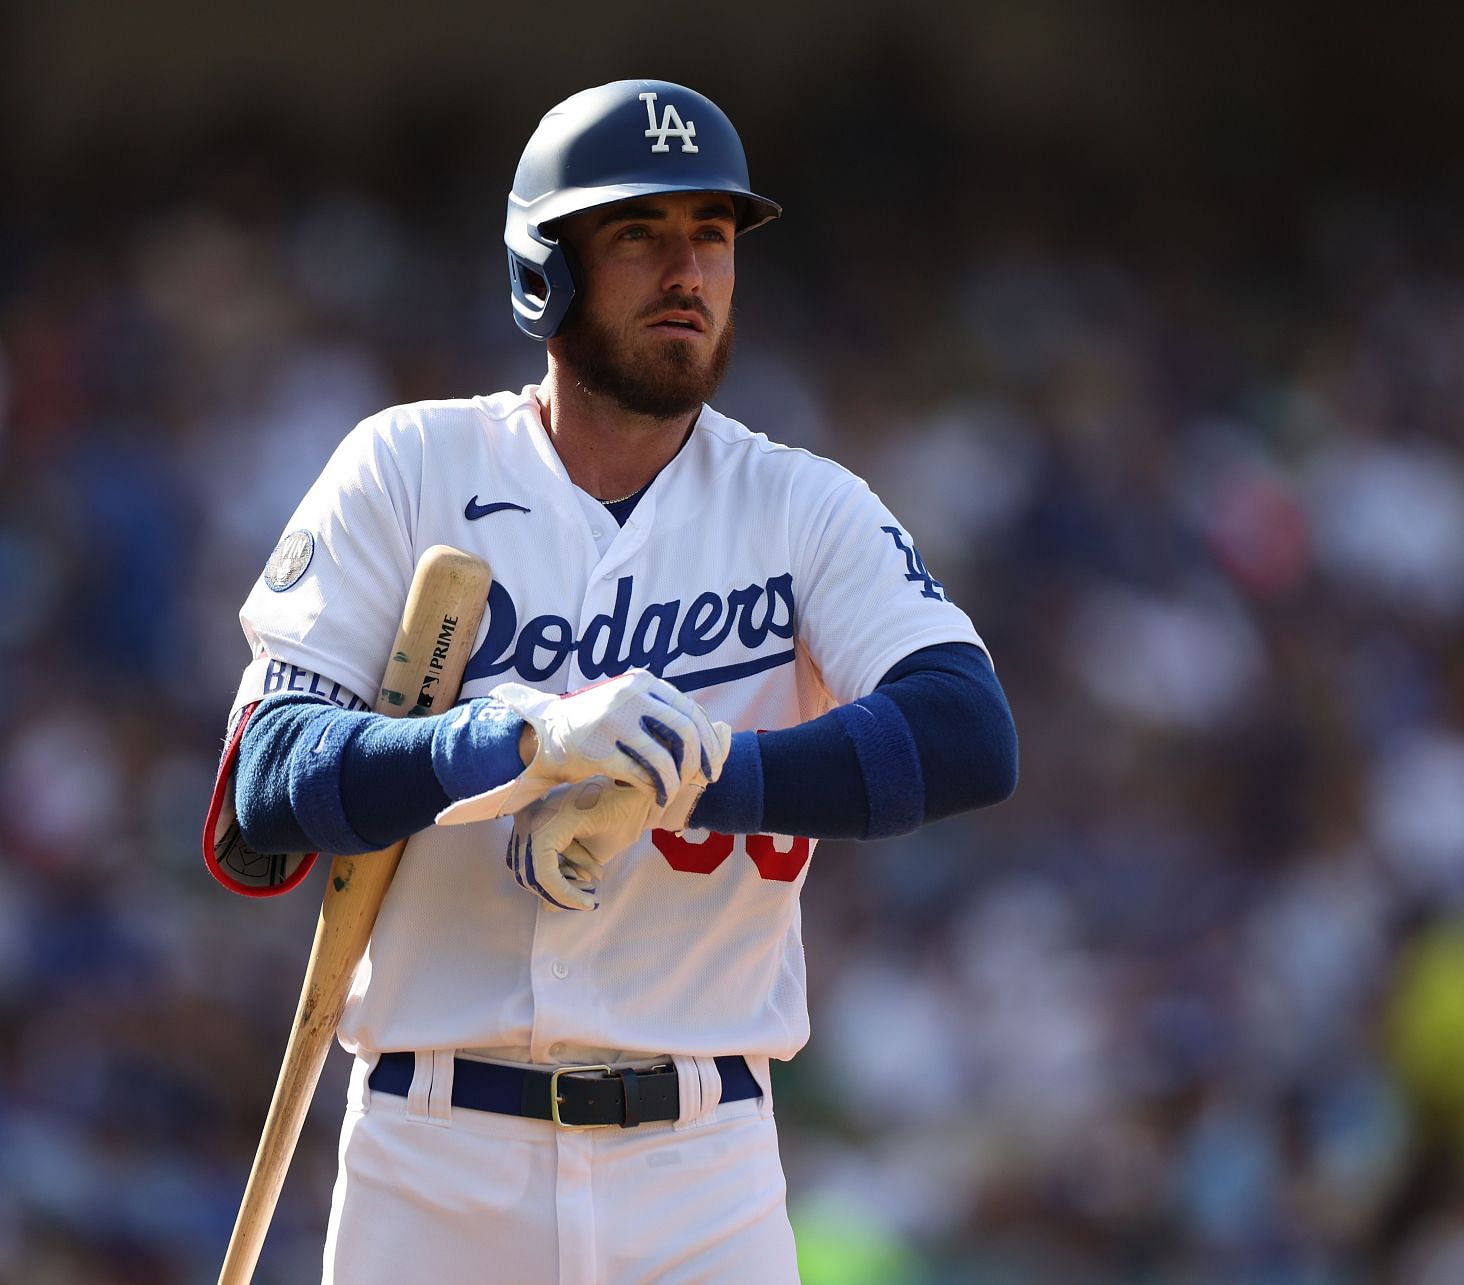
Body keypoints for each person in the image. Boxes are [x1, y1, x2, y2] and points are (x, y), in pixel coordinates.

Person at [201, 79, 1017, 1283]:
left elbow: (967, 735)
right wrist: (515, 737)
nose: (688, 269)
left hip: (704, 1173)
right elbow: (268, 781)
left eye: (715, 233)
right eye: (640, 232)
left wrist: (694, 776)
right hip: (435, 1162)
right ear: (547, 269)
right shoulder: (413, 464)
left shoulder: (799, 506)